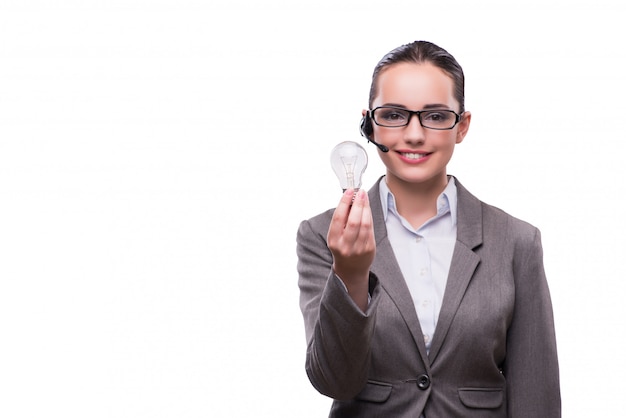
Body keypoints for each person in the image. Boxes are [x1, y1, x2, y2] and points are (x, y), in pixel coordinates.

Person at [296, 40, 560, 417]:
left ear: (462, 126)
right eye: (394, 114)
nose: (415, 134)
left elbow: (537, 392)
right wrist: (351, 275)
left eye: (435, 116)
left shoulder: (517, 241)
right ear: (369, 124)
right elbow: (335, 381)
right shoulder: (320, 236)